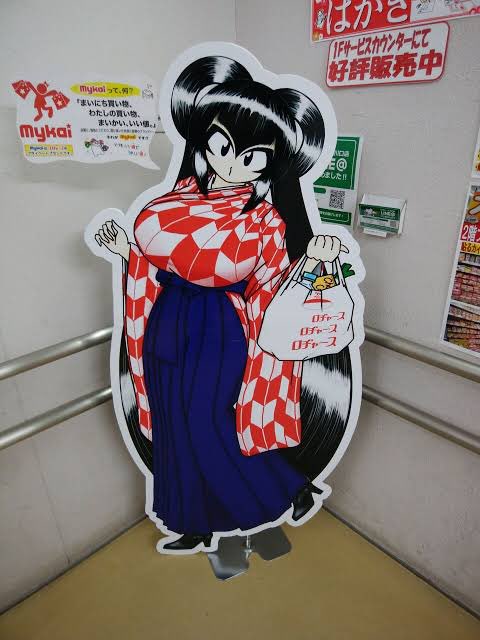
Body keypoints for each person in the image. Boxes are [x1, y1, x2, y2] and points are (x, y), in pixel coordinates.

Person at [94, 56, 352, 553]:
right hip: (166, 316)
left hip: (222, 325)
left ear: (270, 162)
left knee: (207, 421)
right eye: (224, 144)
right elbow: (156, 262)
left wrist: (317, 259)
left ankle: (283, 491)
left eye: (253, 157)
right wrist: (128, 251)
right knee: (172, 419)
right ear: (204, 138)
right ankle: (191, 521)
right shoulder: (176, 199)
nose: (234, 163)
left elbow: (275, 286)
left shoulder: (266, 220)